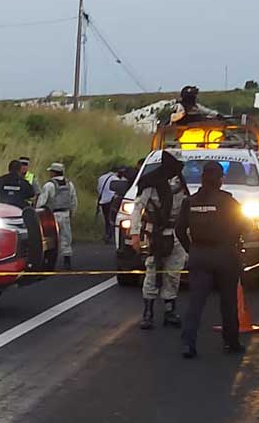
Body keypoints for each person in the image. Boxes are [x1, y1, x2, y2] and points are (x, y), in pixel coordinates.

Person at [175, 161, 246, 358]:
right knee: (228, 302)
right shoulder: (228, 201)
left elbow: (179, 229)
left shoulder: (191, 201)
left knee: (195, 303)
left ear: (202, 178)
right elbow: (243, 226)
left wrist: (191, 249)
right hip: (224, 254)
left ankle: (187, 344)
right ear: (220, 179)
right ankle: (231, 342)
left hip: (199, 254)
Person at [130, 152, 189, 329]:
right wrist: (134, 234)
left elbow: (186, 210)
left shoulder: (180, 183)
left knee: (173, 272)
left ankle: (170, 311)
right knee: (152, 271)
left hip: (176, 234)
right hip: (154, 233)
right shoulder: (151, 183)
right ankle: (148, 313)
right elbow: (137, 208)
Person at [38, 163, 77, 269]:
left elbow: (42, 201)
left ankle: (49, 261)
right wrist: (72, 213)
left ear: (53, 172)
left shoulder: (49, 185)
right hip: (65, 214)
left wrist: (38, 215)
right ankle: (67, 261)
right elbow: (74, 200)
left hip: (52, 216)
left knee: (51, 239)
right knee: (66, 237)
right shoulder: (69, 184)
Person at [95, 166, 126, 243]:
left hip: (103, 201)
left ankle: (107, 234)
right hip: (112, 201)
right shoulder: (116, 179)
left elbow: (98, 189)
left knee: (106, 219)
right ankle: (111, 235)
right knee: (113, 219)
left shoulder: (101, 178)